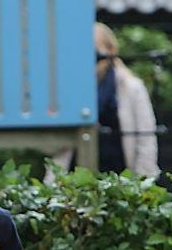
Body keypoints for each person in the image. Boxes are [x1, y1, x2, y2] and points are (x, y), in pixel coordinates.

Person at [46, 23, 159, 180]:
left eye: (93, 52)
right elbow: (50, 145)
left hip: (122, 179)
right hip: (72, 180)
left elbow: (146, 140)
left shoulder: (132, 87)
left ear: (110, 50)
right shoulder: (68, 88)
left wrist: (142, 183)